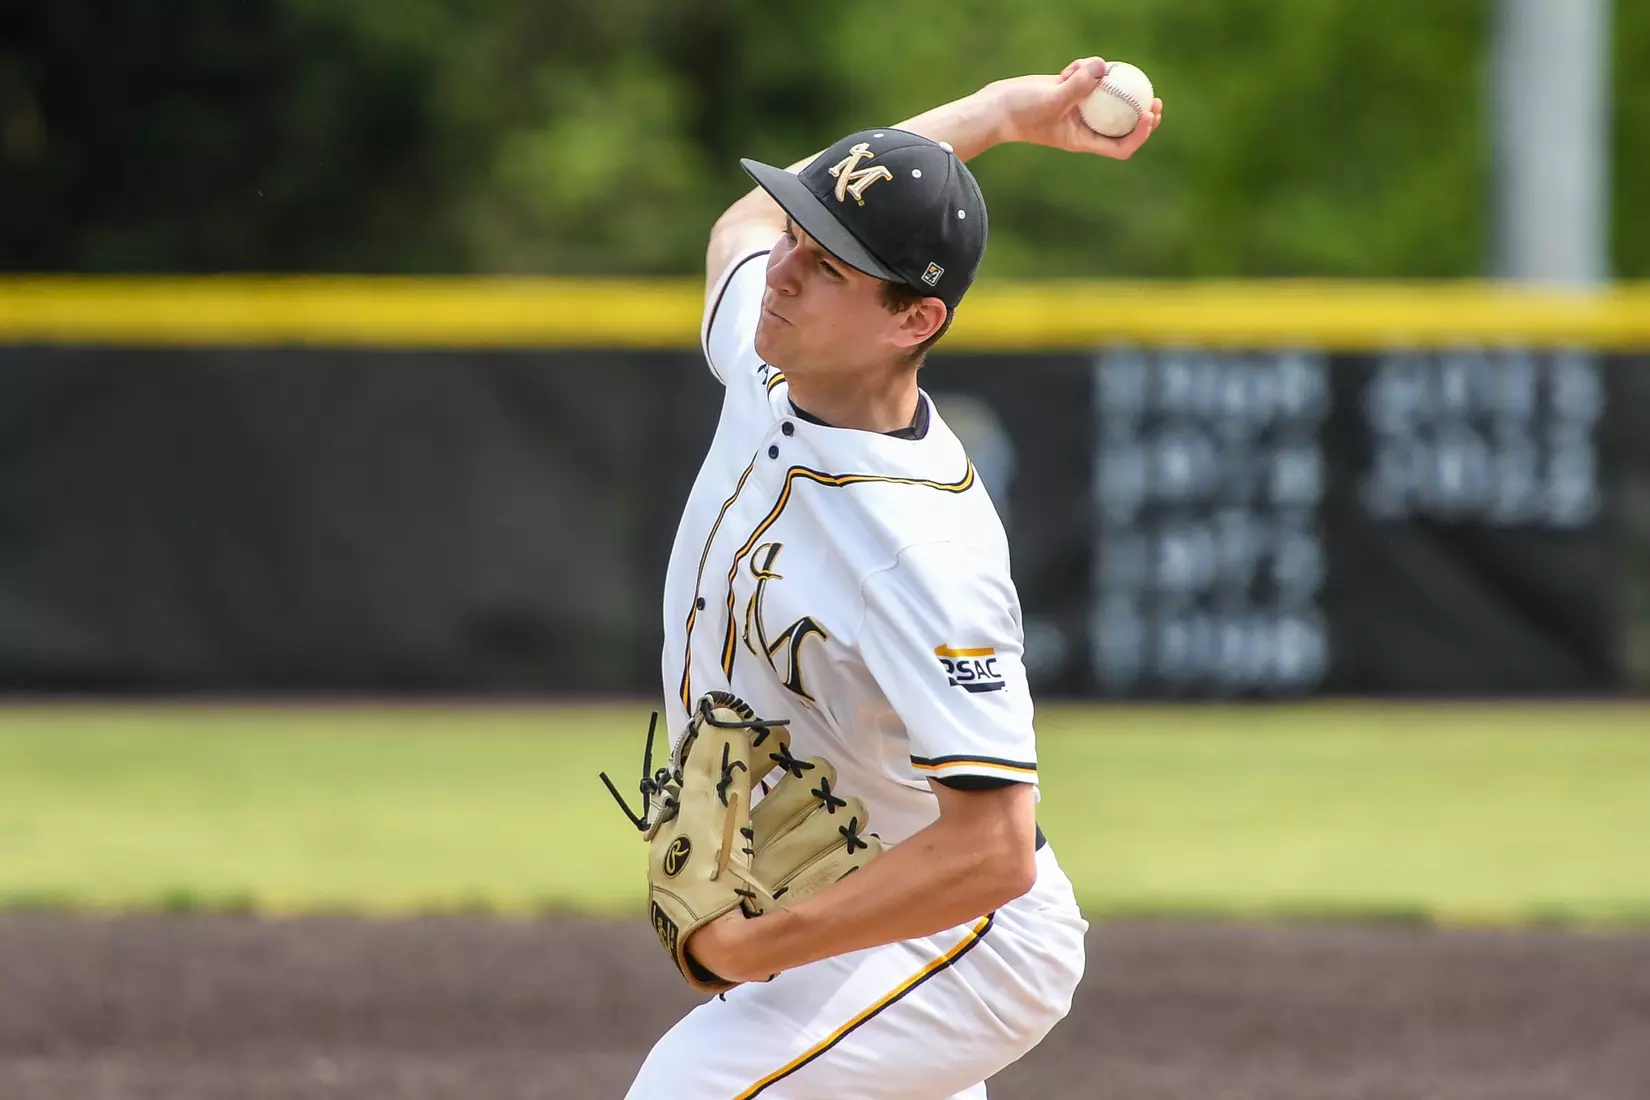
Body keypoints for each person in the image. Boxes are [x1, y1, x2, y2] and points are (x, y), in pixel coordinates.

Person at [627, 57, 1163, 1100]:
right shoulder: (769, 356)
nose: (782, 271)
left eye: (826, 266)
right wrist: (995, 116)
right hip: (860, 895)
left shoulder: (925, 553)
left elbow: (996, 850)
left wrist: (752, 943)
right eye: (799, 237)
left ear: (914, 320)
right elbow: (741, 222)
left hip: (969, 938)